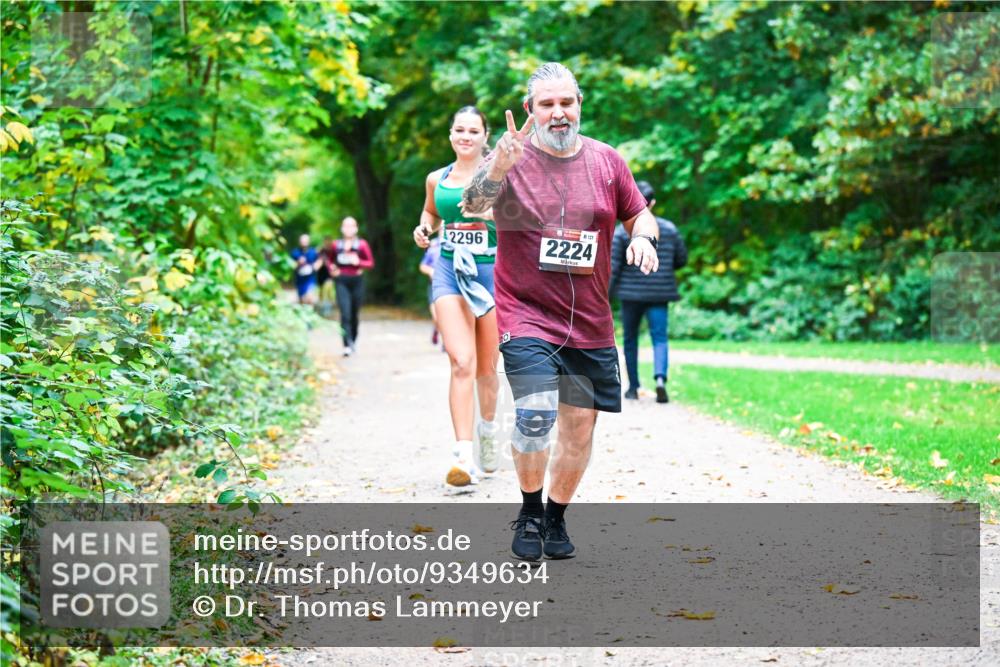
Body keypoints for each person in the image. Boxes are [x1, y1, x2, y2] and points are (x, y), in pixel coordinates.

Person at [461, 63, 660, 561]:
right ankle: (529, 512)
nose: (558, 113)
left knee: (578, 427)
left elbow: (640, 214)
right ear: (530, 109)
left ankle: (555, 517)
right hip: (525, 315)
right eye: (546, 104)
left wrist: (643, 238)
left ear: (579, 105)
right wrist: (499, 166)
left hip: (589, 323)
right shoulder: (510, 159)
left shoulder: (607, 161)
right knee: (535, 413)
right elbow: (472, 205)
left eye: (566, 102)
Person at [413, 105, 500, 489]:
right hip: (449, 270)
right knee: (461, 361)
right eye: (459, 130)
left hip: (491, 274)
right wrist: (424, 229)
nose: (465, 136)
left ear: (485, 136)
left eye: (473, 131)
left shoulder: (500, 175)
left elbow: (525, 219)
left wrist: (491, 214)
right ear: (451, 134)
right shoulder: (437, 178)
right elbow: (430, 213)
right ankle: (463, 456)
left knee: (486, 369)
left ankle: (488, 431)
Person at [610, 180, 688, 403]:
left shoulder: (622, 233)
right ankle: (660, 380)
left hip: (630, 295)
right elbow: (681, 259)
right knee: (660, 338)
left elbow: (614, 267)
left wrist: (606, 295)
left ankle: (633, 387)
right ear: (652, 202)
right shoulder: (669, 229)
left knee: (630, 340)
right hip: (659, 294)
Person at [330, 216, 374, 356]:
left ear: (356, 229)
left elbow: (370, 263)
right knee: (345, 313)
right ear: (342, 228)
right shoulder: (336, 245)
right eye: (346, 226)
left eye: (351, 226)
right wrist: (333, 269)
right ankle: (346, 344)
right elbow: (330, 261)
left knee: (354, 313)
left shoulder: (362, 245)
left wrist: (359, 263)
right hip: (341, 281)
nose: (348, 229)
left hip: (357, 281)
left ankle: (353, 340)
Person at [418, 234, 443, 346]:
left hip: (451, 285)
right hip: (434, 285)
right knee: (437, 317)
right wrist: (430, 271)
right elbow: (423, 266)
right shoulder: (433, 246)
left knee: (447, 316)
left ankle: (446, 342)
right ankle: (436, 329)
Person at [290, 233, 320, 305]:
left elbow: (319, 261)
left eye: (305, 241)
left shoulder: (313, 252)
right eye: (302, 241)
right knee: (302, 299)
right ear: (299, 242)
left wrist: (315, 266)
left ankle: (310, 309)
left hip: (310, 278)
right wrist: (298, 263)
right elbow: (291, 265)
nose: (304, 242)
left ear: (309, 241)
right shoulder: (295, 252)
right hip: (299, 279)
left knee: (309, 297)